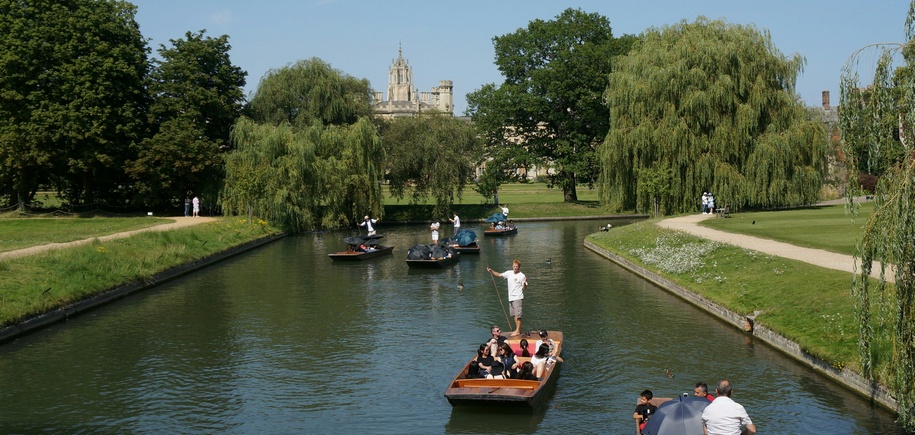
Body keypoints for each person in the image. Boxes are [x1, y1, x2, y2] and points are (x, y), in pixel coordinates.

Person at [486, 259, 528, 336]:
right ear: (512, 266)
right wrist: (491, 271)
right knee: (514, 315)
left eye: (517, 267)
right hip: (511, 298)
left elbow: (525, 288)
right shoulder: (509, 273)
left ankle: (518, 331)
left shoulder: (522, 276)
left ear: (519, 267)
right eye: (514, 266)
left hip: (518, 297)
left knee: (518, 315)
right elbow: (499, 275)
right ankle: (517, 329)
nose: (515, 268)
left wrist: (525, 282)